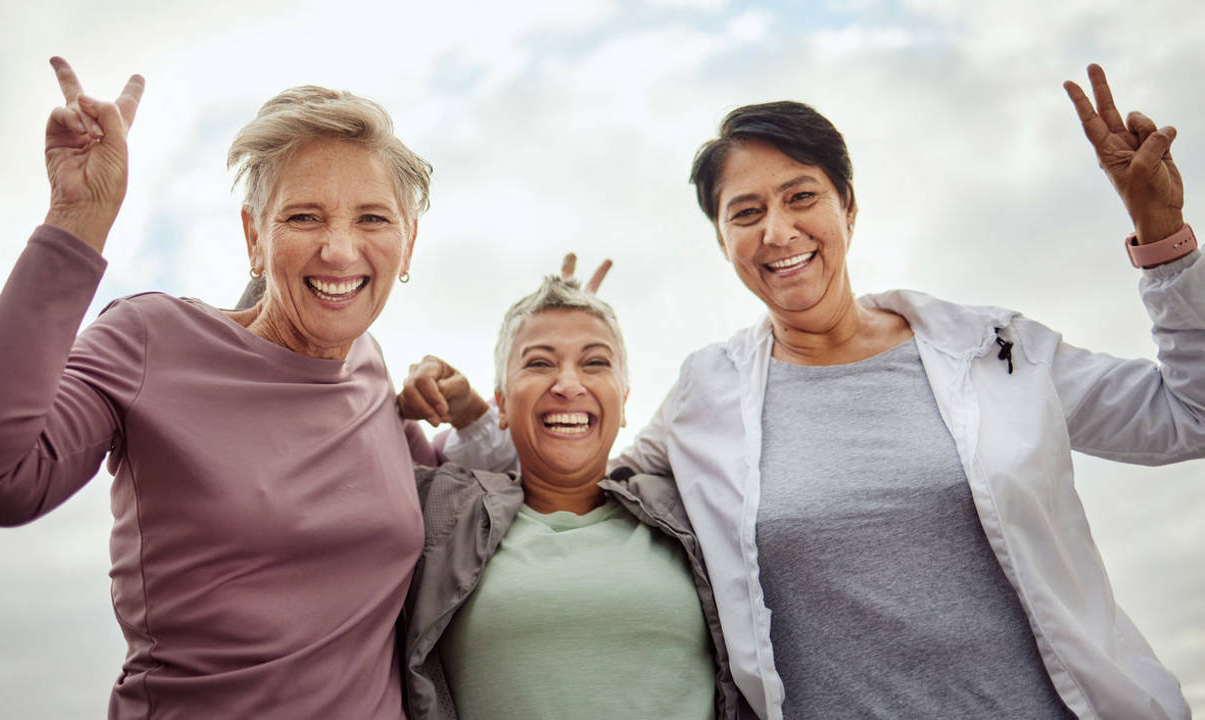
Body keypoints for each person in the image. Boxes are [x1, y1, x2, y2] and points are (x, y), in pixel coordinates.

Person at [401, 64, 1200, 718]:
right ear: (724, 244)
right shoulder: (706, 398)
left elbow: (1183, 417)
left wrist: (1164, 245)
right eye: (745, 212)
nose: (777, 231)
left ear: (848, 207)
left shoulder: (993, 349)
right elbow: (574, 478)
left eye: (801, 196)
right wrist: (490, 402)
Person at [0, 58, 440, 719]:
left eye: (372, 219)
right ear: (254, 236)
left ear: (409, 240)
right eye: (305, 217)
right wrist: (77, 218)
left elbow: (467, 506)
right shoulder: (151, 340)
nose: (340, 251)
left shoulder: (372, 369)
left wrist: (471, 407)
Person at [402, 275, 750, 720]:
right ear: (501, 404)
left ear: (624, 402)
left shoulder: (689, 513)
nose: (568, 384)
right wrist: (451, 407)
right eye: (540, 363)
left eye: (595, 363)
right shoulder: (444, 515)